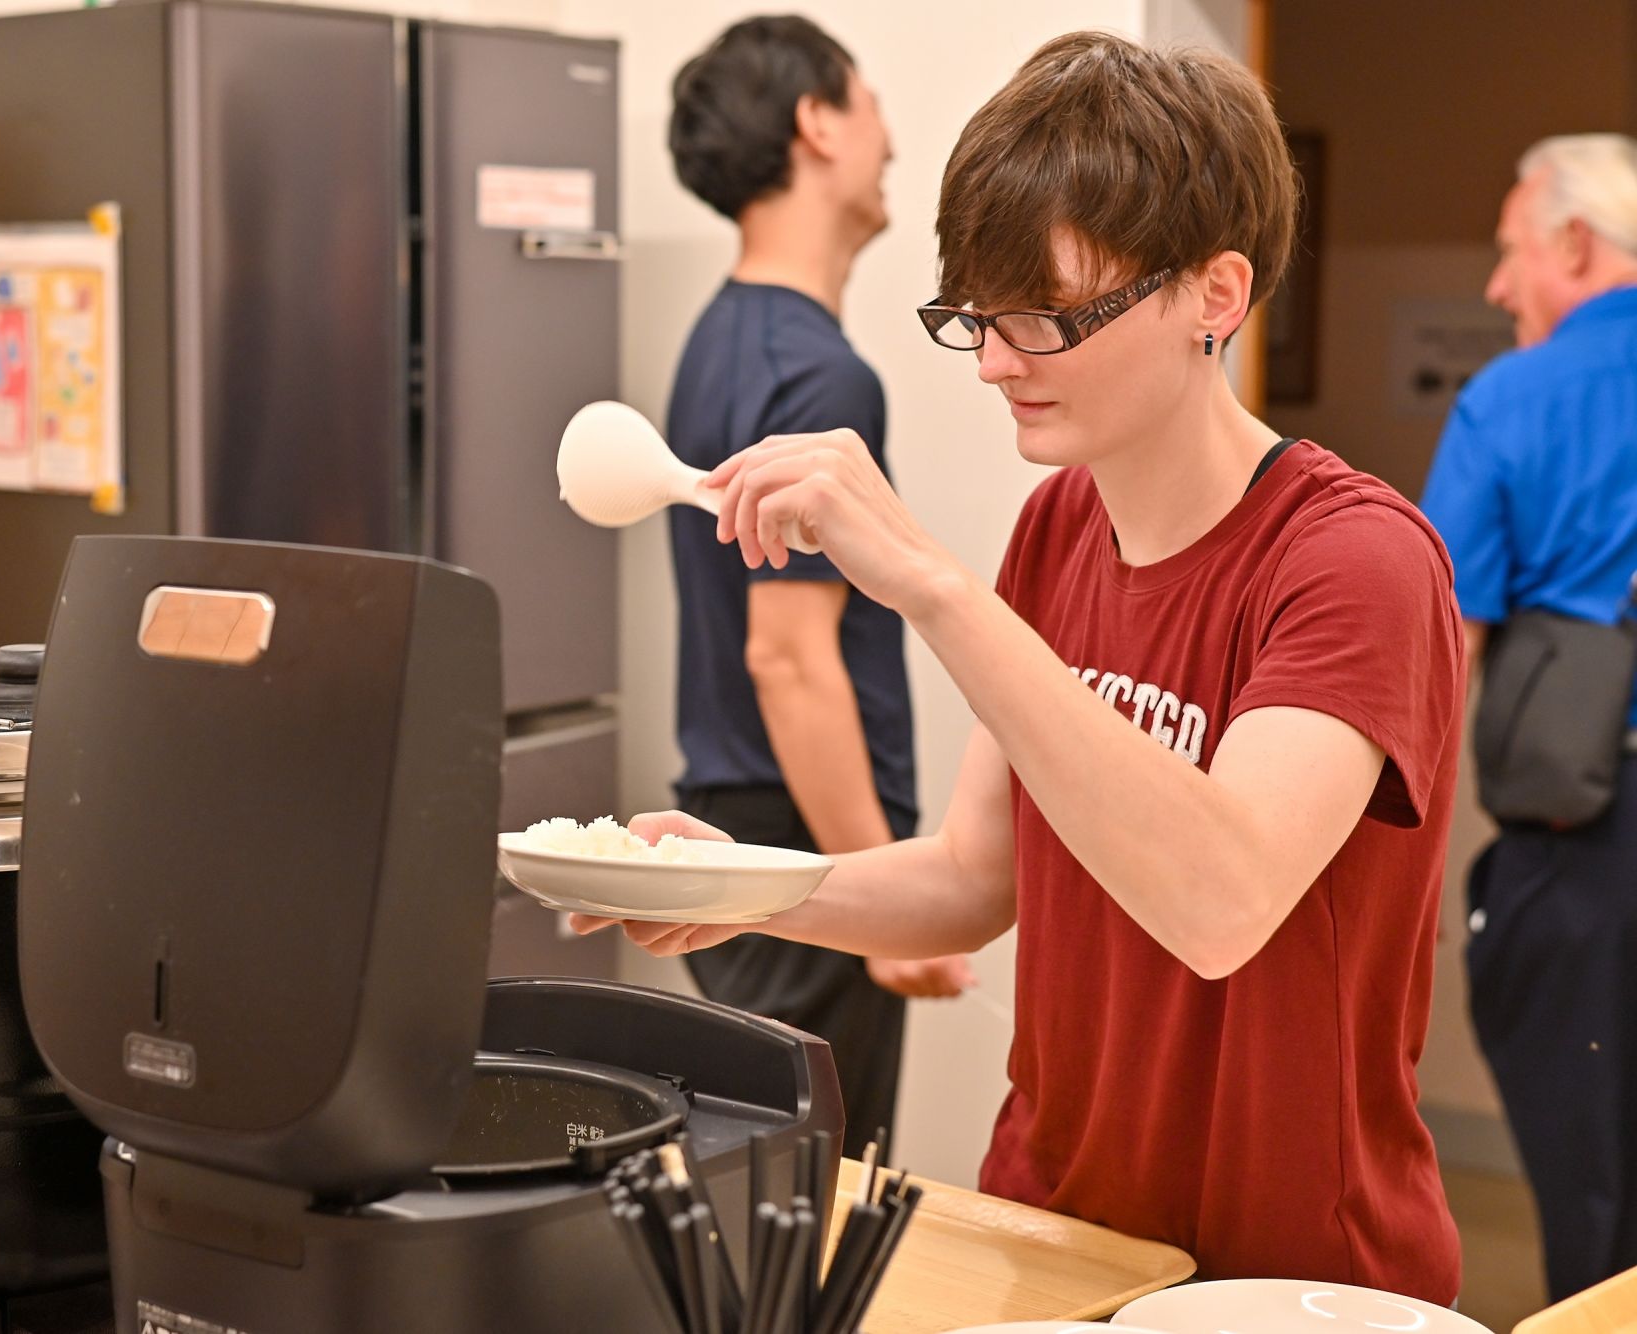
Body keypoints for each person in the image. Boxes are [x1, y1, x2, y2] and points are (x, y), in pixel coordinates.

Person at [583, 31, 1466, 1298]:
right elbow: (970, 875)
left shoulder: (1355, 562)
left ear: (1215, 296)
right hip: (1056, 1229)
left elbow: (1220, 897)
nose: (995, 361)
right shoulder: (1058, 527)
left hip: (1291, 1274)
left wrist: (934, 587)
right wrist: (751, 886)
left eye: (1042, 317)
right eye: (976, 317)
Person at [662, 16, 970, 1158]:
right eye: (869, 102)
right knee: (806, 1214)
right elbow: (785, 657)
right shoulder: (817, 373)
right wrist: (883, 906)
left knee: (757, 1198)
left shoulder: (719, 341)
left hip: (742, 837)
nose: (887, 138)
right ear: (816, 123)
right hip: (801, 855)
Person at [1419, 133, 1637, 1302]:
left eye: (1508, 253)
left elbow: (1434, 652)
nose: (1498, 288)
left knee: (1591, 1202)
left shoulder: (1514, 397)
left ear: (1570, 242)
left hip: (1585, 856)